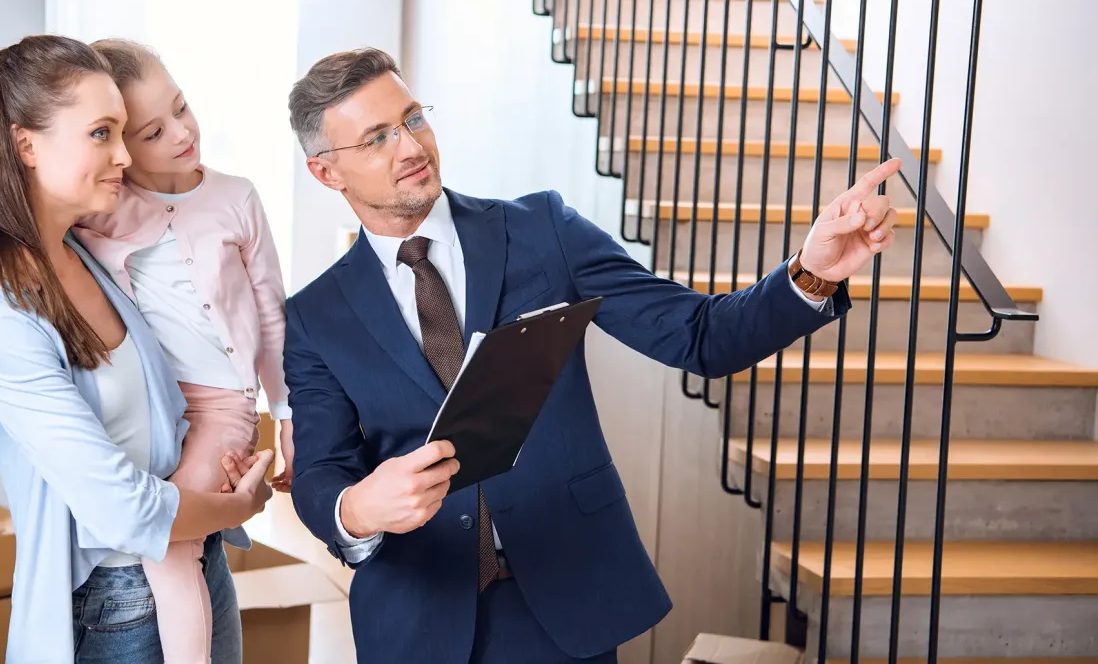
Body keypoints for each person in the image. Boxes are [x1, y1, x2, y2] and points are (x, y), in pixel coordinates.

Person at [283, 48, 899, 663]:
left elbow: (699, 335)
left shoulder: (541, 230)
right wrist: (357, 509)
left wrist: (810, 275)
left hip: (560, 602)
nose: (411, 146)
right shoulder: (315, 315)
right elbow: (319, 469)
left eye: (414, 119)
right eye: (377, 139)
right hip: (416, 615)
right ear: (326, 172)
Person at [0, 34, 273, 663]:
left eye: (123, 132)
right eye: (101, 134)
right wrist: (239, 503)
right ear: (25, 144)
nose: (124, 155)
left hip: (197, 558)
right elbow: (121, 509)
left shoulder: (87, 248)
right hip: (117, 603)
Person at [74, 38, 293, 663]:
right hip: (151, 410)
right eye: (151, 131)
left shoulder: (237, 197)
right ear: (117, 145)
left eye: (181, 107)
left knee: (170, 547)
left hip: (222, 410)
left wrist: (288, 413)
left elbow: (273, 315)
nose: (180, 133)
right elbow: (16, 218)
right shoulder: (105, 210)